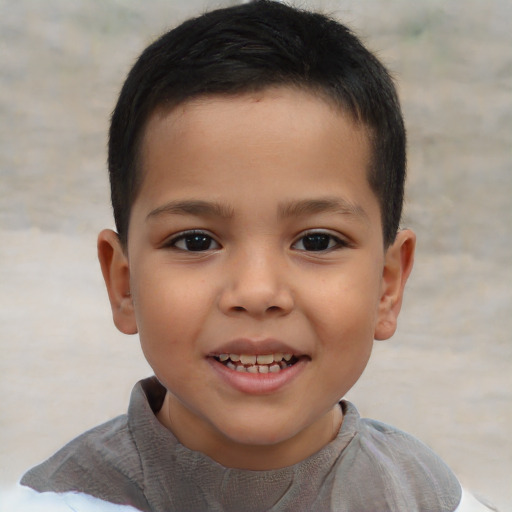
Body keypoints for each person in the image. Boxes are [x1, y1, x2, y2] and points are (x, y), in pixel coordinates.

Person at [9, 1, 493, 510]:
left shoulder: (429, 498)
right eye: (196, 241)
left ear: (388, 285)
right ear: (123, 283)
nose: (257, 292)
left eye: (317, 241)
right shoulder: (53, 502)